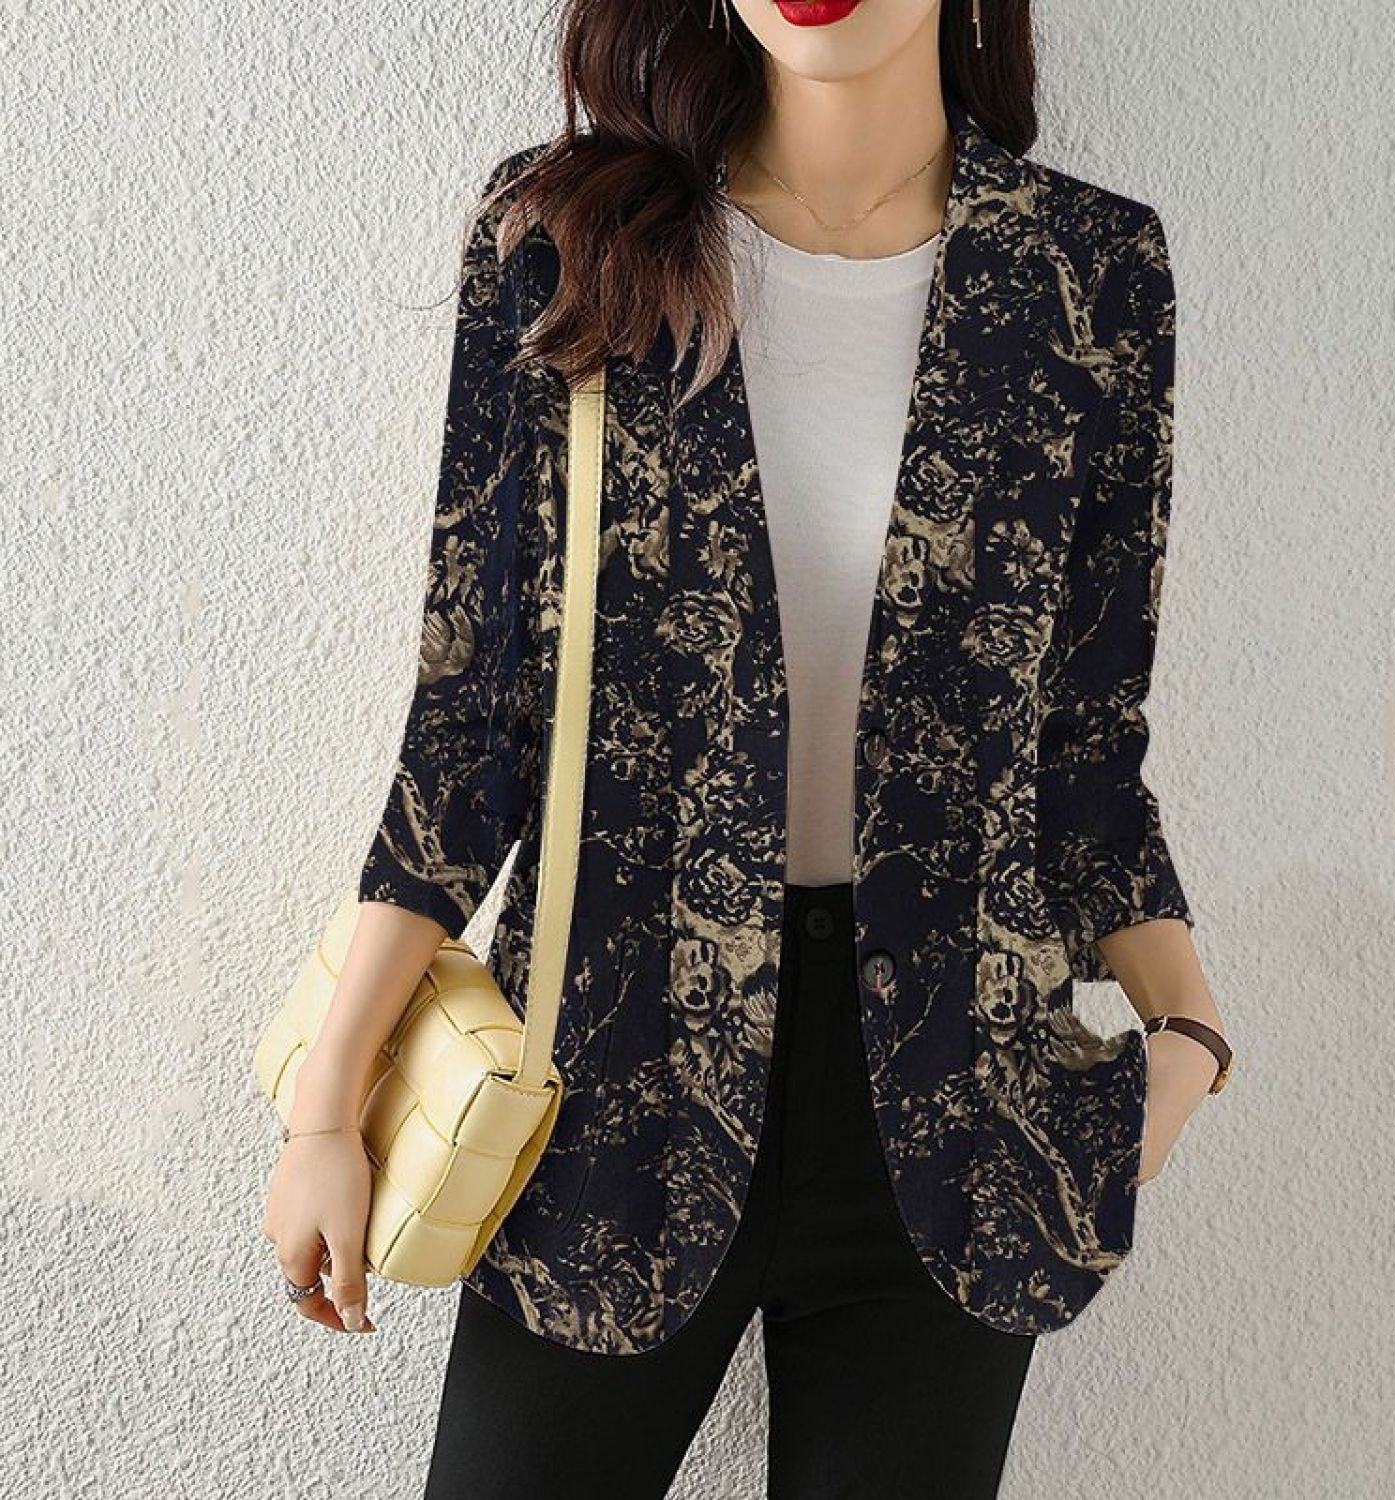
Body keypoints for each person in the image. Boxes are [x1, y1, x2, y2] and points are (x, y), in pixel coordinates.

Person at [262, 2, 1235, 1495]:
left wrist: (1188, 1042)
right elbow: (473, 719)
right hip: (607, 1080)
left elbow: (1086, 743)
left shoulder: (1089, 272)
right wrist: (327, 1105)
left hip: (961, 1115)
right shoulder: (572, 241)